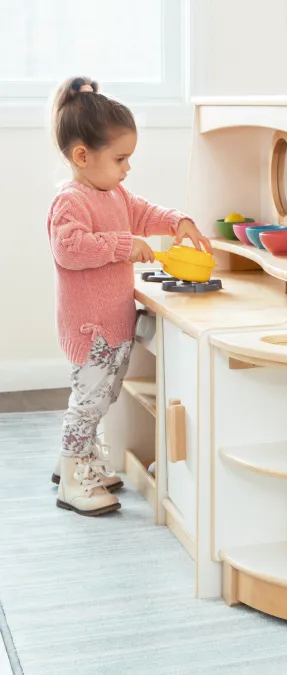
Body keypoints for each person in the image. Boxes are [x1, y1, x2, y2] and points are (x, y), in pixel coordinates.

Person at [47, 76, 210, 517]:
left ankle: (77, 462)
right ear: (83, 156)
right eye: (120, 158)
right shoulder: (71, 201)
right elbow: (70, 248)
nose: (127, 168)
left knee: (104, 396)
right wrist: (123, 244)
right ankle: (72, 475)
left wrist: (178, 221)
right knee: (89, 401)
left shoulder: (113, 192)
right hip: (91, 328)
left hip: (112, 324)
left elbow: (143, 212)